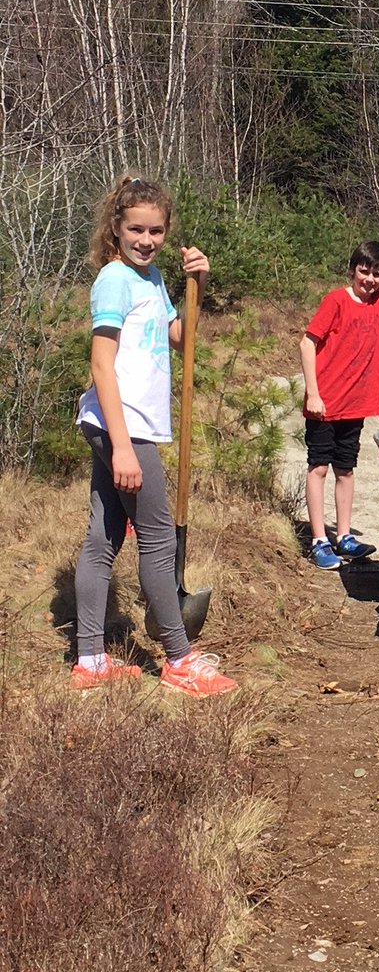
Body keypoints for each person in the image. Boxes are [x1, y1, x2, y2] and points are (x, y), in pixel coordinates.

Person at [71, 175, 237, 697]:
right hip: (125, 427)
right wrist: (123, 446)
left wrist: (199, 286)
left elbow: (181, 338)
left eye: (157, 230)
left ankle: (91, 658)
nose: (146, 239)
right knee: (158, 540)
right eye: (136, 229)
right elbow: (101, 364)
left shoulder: (152, 278)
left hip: (120, 424)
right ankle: (179, 659)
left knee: (102, 540)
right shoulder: (115, 280)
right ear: (115, 228)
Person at [300, 233, 379, 570]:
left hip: (355, 404)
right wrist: (313, 392)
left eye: (377, 274)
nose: (369, 280)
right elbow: (307, 343)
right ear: (353, 270)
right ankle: (318, 540)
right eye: (363, 271)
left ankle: (344, 536)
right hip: (324, 403)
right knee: (319, 467)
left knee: (346, 469)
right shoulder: (335, 302)